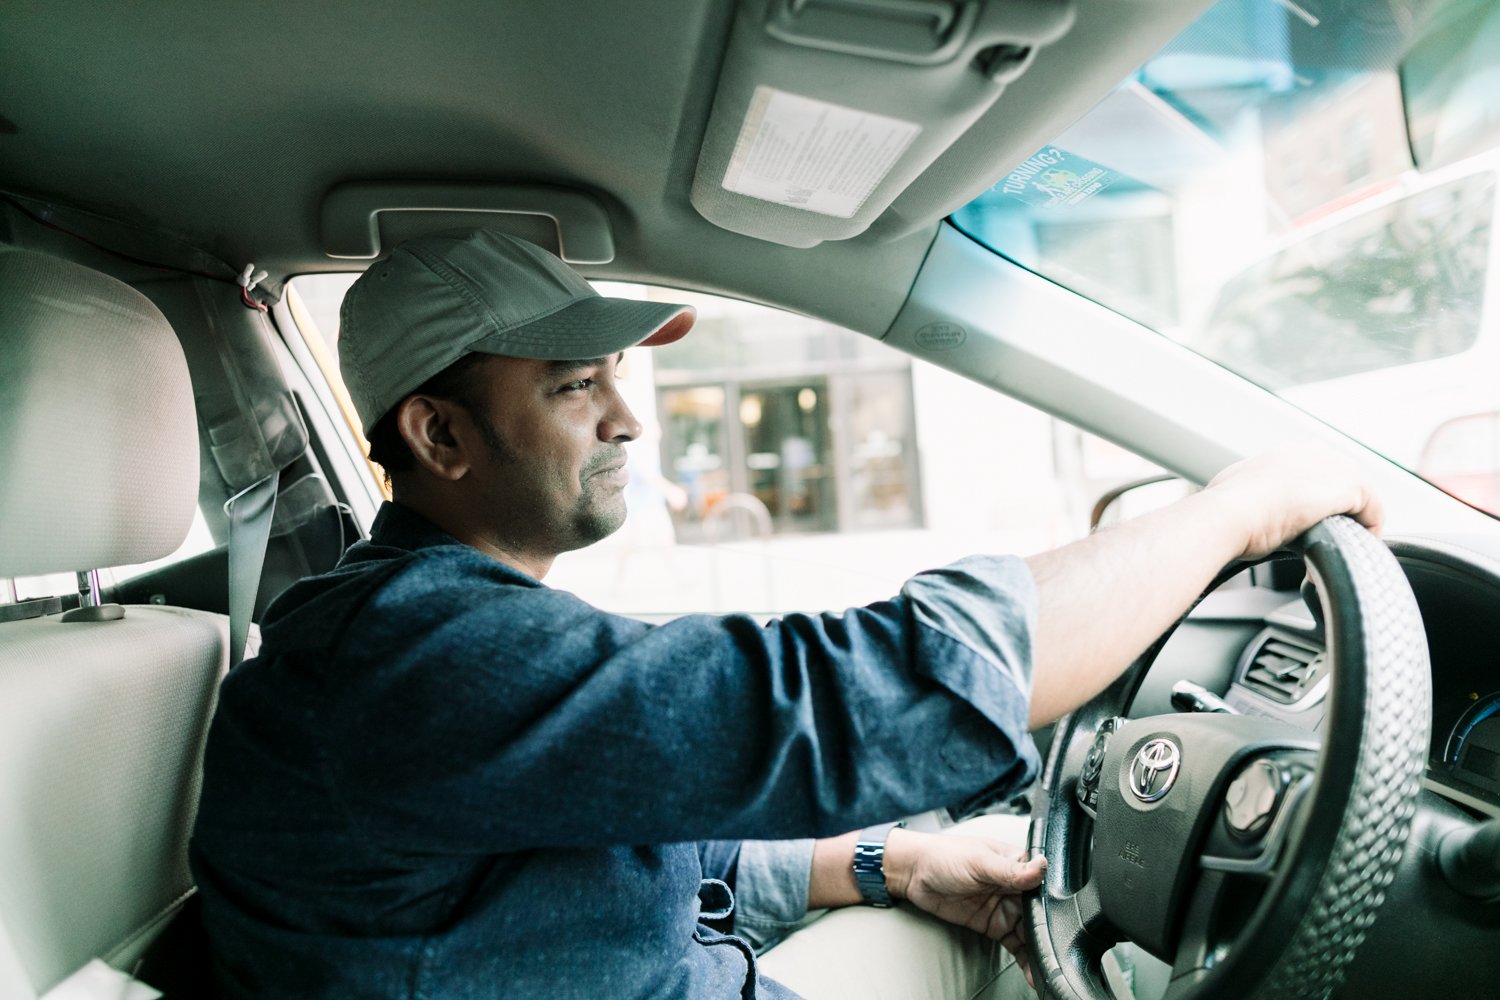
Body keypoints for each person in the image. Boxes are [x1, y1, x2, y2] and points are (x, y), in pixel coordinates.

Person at [189, 229, 1382, 1000]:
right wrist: (1239, 512)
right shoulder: (413, 656)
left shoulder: (443, 627)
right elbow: (828, 703)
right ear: (439, 437)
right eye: (572, 387)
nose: (627, 420)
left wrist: (887, 857)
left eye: (614, 377)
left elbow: (656, 838)